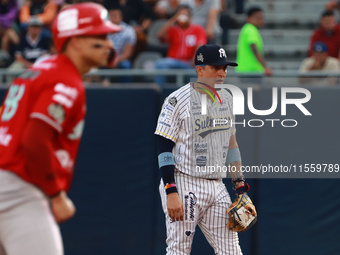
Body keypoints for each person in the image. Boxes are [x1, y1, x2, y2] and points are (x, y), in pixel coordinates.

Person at [0, 3, 121, 255]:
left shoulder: (37, 69)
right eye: (100, 36)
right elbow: (34, 140)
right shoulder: (65, 78)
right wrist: (56, 195)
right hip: (19, 188)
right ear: (75, 40)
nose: (109, 44)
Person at [155, 44, 252, 254]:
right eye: (216, 67)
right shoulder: (176, 100)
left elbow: (232, 145)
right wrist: (170, 190)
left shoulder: (226, 99)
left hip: (216, 186)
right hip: (184, 181)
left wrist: (240, 186)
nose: (222, 72)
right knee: (179, 249)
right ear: (200, 69)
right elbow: (163, 147)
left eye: (225, 68)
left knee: (231, 250)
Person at [155, 4, 207, 86]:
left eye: (185, 14)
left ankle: (195, 94)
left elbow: (200, 46)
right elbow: (160, 35)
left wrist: (195, 59)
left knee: (200, 67)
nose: (182, 16)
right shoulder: (173, 29)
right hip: (173, 61)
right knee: (160, 63)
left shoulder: (197, 29)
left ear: (190, 17)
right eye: (180, 14)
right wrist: (174, 18)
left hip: (188, 62)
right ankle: (161, 91)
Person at [235, 6, 272, 76]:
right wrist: (265, 67)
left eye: (262, 18)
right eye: (258, 18)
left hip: (246, 70)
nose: (261, 20)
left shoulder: (246, 29)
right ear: (248, 18)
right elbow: (254, 48)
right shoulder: (250, 29)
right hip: (250, 71)